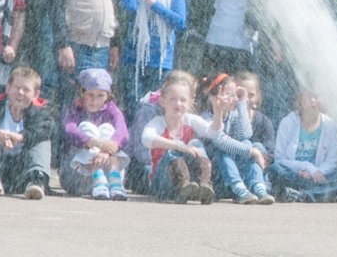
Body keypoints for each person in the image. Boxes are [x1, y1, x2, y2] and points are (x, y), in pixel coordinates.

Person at [0, 64, 52, 198]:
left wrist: (21, 137)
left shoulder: (41, 110)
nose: (20, 93)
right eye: (17, 88)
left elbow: (46, 128)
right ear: (8, 87)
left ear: (36, 94)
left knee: (43, 141)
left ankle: (36, 180)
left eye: (26, 90)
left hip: (22, 167)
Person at [118, 0, 185, 105]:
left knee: (155, 106)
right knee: (132, 105)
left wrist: (155, 4)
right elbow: (128, 6)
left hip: (160, 61)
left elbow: (179, 22)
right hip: (134, 59)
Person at [271, 89, 337, 202]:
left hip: (321, 176)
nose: (313, 100)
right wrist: (307, 168)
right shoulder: (288, 122)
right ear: (300, 99)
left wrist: (318, 172)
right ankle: (318, 193)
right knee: (274, 170)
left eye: (317, 96)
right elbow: (280, 159)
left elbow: (332, 161)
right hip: (296, 175)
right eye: (309, 96)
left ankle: (305, 195)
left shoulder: (330, 125)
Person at [142, 71, 215, 202]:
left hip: (190, 185)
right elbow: (146, 138)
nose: (178, 104)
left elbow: (212, 133)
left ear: (191, 102)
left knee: (197, 144)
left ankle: (204, 185)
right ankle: (183, 186)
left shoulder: (191, 120)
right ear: (162, 101)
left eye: (183, 100)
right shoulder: (158, 122)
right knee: (172, 150)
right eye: (173, 99)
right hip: (163, 185)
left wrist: (219, 112)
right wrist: (179, 146)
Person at [202, 71, 272, 203]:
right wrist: (252, 152)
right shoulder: (206, 118)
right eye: (230, 95)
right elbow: (221, 141)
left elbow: (245, 134)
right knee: (224, 150)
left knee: (248, 142)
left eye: (236, 95)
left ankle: (259, 187)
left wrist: (242, 102)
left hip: (236, 170)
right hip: (219, 176)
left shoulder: (232, 115)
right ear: (214, 97)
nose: (235, 99)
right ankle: (240, 189)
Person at [60, 66, 128, 199]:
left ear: (108, 95)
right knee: (87, 126)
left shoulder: (111, 109)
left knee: (108, 130)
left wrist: (106, 151)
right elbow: (69, 130)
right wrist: (94, 142)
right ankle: (97, 174)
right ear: (82, 92)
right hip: (79, 175)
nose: (94, 100)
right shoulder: (74, 109)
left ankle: (113, 180)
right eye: (90, 94)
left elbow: (123, 132)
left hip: (108, 176)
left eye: (100, 95)